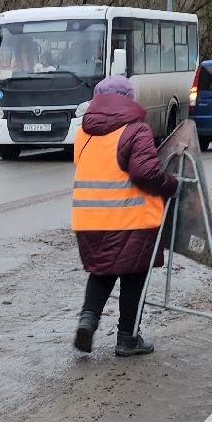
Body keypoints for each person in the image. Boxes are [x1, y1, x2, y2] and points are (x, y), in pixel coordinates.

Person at [71, 75, 179, 357]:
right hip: (130, 217)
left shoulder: (84, 132)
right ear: (127, 99)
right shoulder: (135, 129)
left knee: (102, 269)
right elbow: (145, 173)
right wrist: (171, 185)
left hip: (88, 219)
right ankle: (127, 338)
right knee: (134, 274)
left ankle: (88, 319)